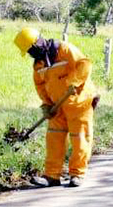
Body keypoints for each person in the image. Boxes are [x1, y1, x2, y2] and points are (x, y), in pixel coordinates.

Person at [14, 28, 98, 188]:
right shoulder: (38, 65)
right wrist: (46, 104)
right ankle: (52, 176)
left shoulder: (65, 50)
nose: (31, 55)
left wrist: (74, 81)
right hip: (57, 108)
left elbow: (85, 64)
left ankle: (77, 174)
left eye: (31, 50)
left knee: (80, 138)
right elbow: (40, 86)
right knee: (54, 139)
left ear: (37, 43)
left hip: (79, 103)